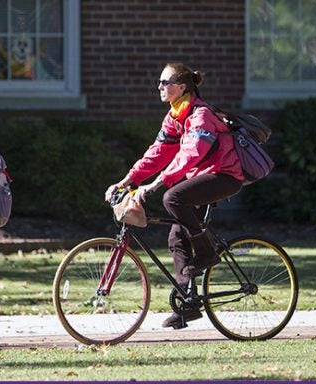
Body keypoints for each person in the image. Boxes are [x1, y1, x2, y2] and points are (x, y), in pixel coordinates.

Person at [105, 63, 244, 329]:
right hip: (201, 177)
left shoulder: (200, 116)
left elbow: (190, 154)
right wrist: (127, 180)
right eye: (159, 82)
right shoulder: (175, 116)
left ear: (181, 87)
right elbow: (157, 153)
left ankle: (206, 252)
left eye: (164, 82)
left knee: (172, 198)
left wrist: (156, 185)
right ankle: (188, 303)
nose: (159, 87)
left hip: (226, 176)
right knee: (176, 236)